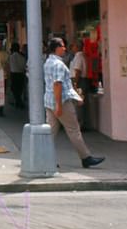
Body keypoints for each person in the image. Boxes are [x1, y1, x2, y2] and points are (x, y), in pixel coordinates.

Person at [44, 37, 103, 169]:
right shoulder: (58, 64)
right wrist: (59, 105)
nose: (65, 48)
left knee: (50, 132)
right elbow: (58, 85)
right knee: (74, 130)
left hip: (49, 101)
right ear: (57, 48)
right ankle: (86, 157)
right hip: (61, 102)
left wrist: (75, 98)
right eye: (63, 46)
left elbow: (60, 85)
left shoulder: (48, 62)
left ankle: (45, 158)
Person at [69, 41, 90, 128]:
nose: (71, 48)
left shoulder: (78, 56)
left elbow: (77, 70)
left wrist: (75, 83)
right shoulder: (80, 56)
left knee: (79, 102)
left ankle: (79, 124)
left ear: (77, 47)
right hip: (80, 80)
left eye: (73, 46)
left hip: (79, 81)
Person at [8, 42, 27, 109]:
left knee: (14, 89)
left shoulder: (11, 56)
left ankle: (18, 101)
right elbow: (24, 65)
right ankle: (19, 102)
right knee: (20, 89)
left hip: (13, 74)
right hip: (21, 74)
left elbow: (9, 65)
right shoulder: (21, 56)